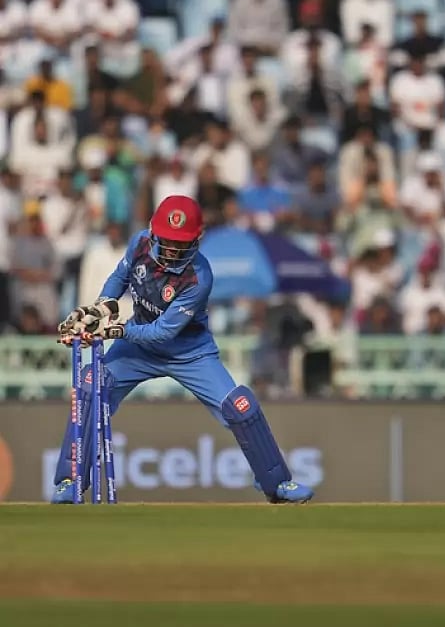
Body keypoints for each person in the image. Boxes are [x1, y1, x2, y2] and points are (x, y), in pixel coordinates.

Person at [52, 196, 314, 504]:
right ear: (153, 233)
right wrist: (101, 308)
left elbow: (163, 333)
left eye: (182, 243)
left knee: (241, 405)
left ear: (197, 240)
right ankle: (70, 480)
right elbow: (119, 278)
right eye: (169, 241)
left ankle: (277, 483)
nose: (174, 249)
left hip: (190, 352)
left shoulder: (199, 276)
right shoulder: (140, 244)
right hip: (137, 348)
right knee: (90, 384)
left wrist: (117, 329)